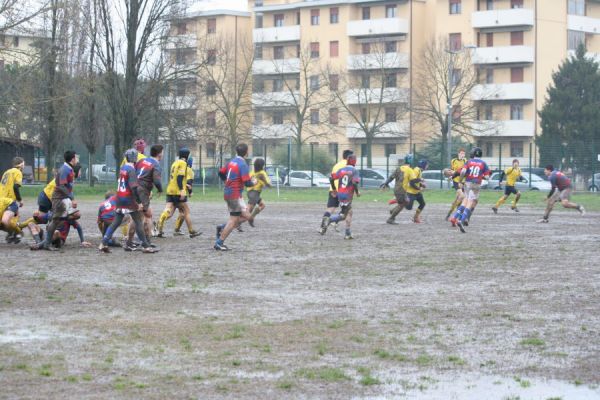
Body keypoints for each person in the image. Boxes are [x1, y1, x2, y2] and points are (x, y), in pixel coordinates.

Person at [99, 149, 158, 253]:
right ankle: (145, 246)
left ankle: (103, 243)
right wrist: (139, 202)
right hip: (128, 200)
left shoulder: (123, 168)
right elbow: (134, 188)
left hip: (119, 198)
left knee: (115, 223)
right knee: (138, 222)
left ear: (126, 157)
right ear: (135, 158)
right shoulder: (132, 170)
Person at [31, 151, 80, 251]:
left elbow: (67, 186)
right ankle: (44, 244)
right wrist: (72, 198)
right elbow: (61, 186)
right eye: (76, 158)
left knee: (64, 219)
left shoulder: (68, 169)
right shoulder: (65, 169)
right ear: (72, 159)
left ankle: (44, 244)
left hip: (63, 199)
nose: (77, 159)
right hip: (59, 200)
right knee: (55, 221)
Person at [214, 143, 256, 251]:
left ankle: (222, 227)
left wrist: (226, 182)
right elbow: (247, 182)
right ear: (246, 152)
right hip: (234, 195)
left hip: (234, 194)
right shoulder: (243, 164)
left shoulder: (231, 162)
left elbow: (221, 172)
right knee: (233, 220)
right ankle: (219, 242)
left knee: (248, 216)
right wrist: (254, 182)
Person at [157, 148, 201, 238]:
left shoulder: (174, 163)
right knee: (186, 211)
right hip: (178, 191)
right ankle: (191, 231)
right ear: (187, 156)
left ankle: (159, 226)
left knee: (168, 210)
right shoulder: (183, 164)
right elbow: (179, 178)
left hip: (170, 190)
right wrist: (182, 190)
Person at [127, 144, 163, 244]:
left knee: (140, 214)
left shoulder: (142, 161)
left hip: (134, 188)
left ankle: (132, 241)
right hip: (142, 191)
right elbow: (157, 180)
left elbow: (133, 172)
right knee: (144, 216)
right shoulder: (155, 164)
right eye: (162, 152)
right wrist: (160, 189)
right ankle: (145, 242)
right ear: (159, 154)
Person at [449, 147, 490, 233]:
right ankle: (462, 220)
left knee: (465, 200)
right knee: (470, 202)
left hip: (467, 183)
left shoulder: (469, 161)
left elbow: (463, 172)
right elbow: (487, 177)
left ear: (473, 153)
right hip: (476, 184)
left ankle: (454, 217)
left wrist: (460, 180)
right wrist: (481, 176)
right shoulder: (483, 163)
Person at [321, 154, 360, 239]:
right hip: (348, 195)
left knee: (349, 212)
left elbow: (331, 178)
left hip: (340, 194)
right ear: (354, 161)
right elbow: (354, 182)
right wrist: (357, 192)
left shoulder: (341, 170)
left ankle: (347, 233)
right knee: (344, 215)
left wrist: (334, 189)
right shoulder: (354, 171)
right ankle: (330, 220)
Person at [380, 154, 413, 225]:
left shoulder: (399, 168)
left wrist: (385, 183)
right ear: (411, 161)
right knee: (402, 204)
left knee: (405, 202)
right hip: (401, 190)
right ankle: (391, 218)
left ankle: (393, 211)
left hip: (397, 189)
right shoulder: (409, 170)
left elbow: (391, 177)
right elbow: (413, 180)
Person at [0, 157, 25, 242]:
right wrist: (20, 200)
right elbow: (16, 186)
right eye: (23, 163)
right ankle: (16, 232)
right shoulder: (18, 172)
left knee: (5, 222)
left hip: (3, 201)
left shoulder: (6, 172)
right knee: (5, 222)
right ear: (21, 164)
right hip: (8, 201)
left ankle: (14, 232)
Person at [173, 157, 199, 236]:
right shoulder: (190, 171)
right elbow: (189, 183)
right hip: (181, 193)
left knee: (179, 212)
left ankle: (177, 230)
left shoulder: (180, 167)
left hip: (173, 191)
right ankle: (188, 230)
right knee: (184, 211)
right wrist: (190, 192)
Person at [246, 158, 271, 227]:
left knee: (262, 205)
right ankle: (238, 223)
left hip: (250, 193)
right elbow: (269, 185)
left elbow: (247, 182)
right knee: (247, 212)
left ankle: (252, 218)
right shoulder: (262, 173)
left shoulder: (251, 172)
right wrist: (264, 180)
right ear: (262, 166)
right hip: (255, 193)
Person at [446, 149, 467, 221]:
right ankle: (458, 215)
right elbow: (452, 170)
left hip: (463, 182)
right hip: (456, 181)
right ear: (458, 154)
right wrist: (450, 174)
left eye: (464, 154)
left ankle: (450, 213)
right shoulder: (453, 161)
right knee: (462, 196)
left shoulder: (465, 161)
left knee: (457, 200)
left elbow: (465, 171)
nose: (462, 155)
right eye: (461, 153)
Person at [405, 159, 428, 223]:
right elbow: (411, 182)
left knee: (422, 204)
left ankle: (415, 217)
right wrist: (419, 188)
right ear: (423, 165)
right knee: (409, 207)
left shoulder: (419, 170)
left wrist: (421, 185)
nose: (427, 167)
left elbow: (416, 181)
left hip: (416, 192)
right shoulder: (416, 170)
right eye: (426, 165)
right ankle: (399, 200)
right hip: (411, 193)